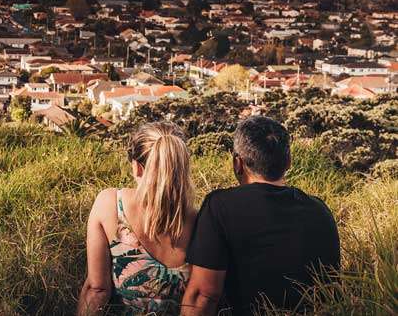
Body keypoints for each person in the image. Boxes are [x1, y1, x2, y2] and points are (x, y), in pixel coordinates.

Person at [182, 116, 340, 316]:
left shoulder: (220, 207)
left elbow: (204, 294)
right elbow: (331, 289)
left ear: (237, 164)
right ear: (288, 162)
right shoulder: (320, 210)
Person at [78, 122, 197, 316]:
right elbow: (205, 296)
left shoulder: (110, 205)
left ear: (137, 167)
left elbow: (97, 289)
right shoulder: (200, 220)